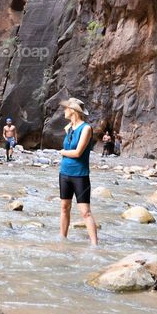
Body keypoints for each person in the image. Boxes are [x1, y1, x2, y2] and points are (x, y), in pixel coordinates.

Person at [58, 97, 98, 245]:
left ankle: (95, 245)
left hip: (80, 175)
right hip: (64, 173)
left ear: (73, 111)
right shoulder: (69, 128)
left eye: (66, 108)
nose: (64, 110)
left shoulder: (86, 128)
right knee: (64, 207)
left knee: (85, 212)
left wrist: (62, 152)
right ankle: (62, 239)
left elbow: (77, 152)